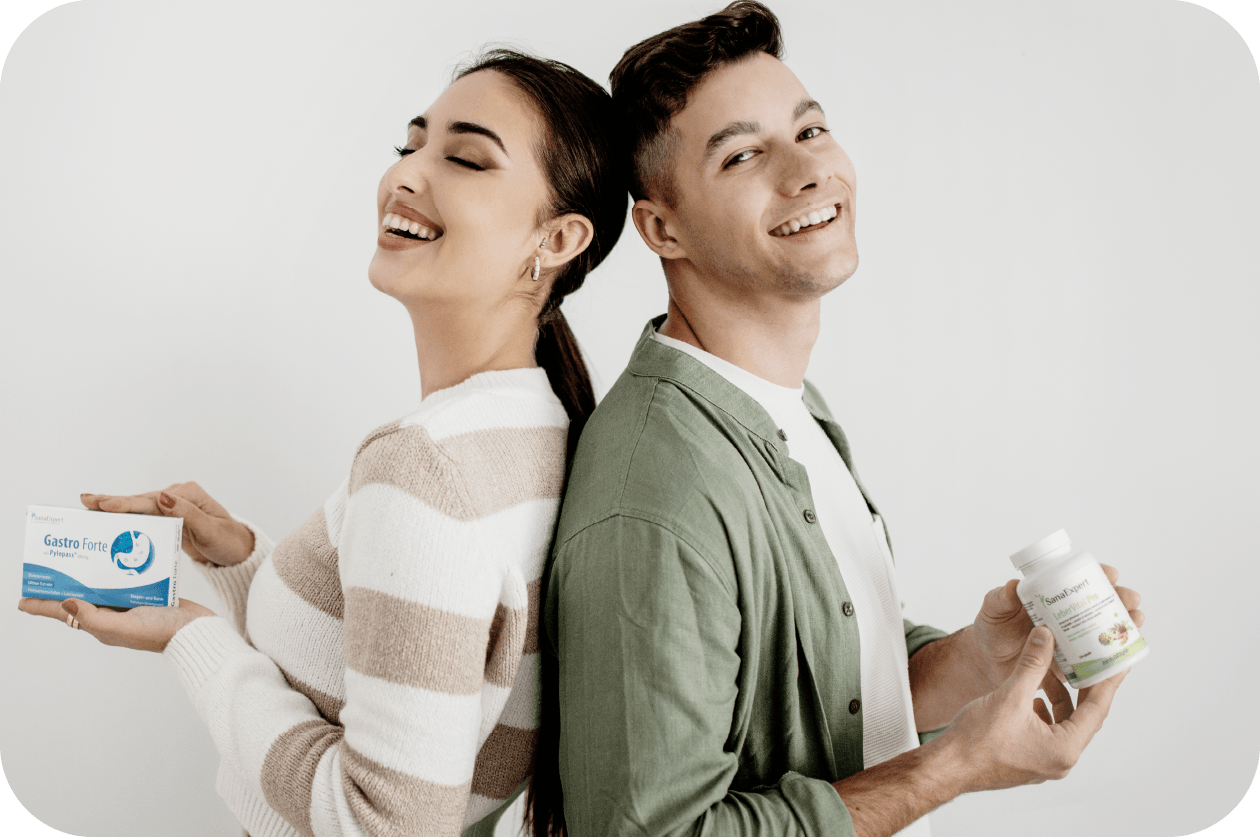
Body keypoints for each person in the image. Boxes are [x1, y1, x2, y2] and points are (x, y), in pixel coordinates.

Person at [542, 4, 1145, 837]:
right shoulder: (657, 494)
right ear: (661, 227)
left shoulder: (788, 404)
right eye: (743, 154)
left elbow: (837, 691)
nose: (807, 172)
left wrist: (974, 658)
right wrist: (955, 765)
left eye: (811, 130)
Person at [19, 48, 626, 837]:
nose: (405, 174)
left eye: (466, 158)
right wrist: (240, 559)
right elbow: (386, 660)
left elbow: (383, 824)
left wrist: (190, 634)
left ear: (559, 237)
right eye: (411, 144)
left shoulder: (424, 467)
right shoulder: (542, 429)